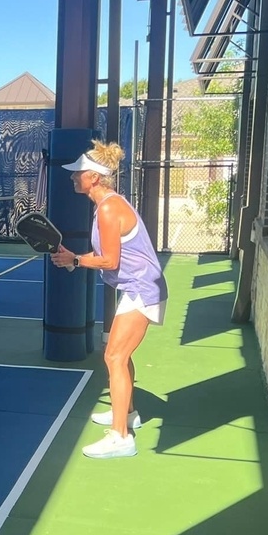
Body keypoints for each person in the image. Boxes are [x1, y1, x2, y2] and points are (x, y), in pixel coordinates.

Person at [51, 140, 167, 459]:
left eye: (79, 173)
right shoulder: (106, 205)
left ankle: (121, 437)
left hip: (143, 288)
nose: (74, 177)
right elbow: (102, 255)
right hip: (136, 287)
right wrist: (73, 259)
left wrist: (76, 260)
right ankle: (126, 414)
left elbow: (109, 261)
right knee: (119, 354)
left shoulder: (107, 207)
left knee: (114, 357)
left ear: (95, 178)